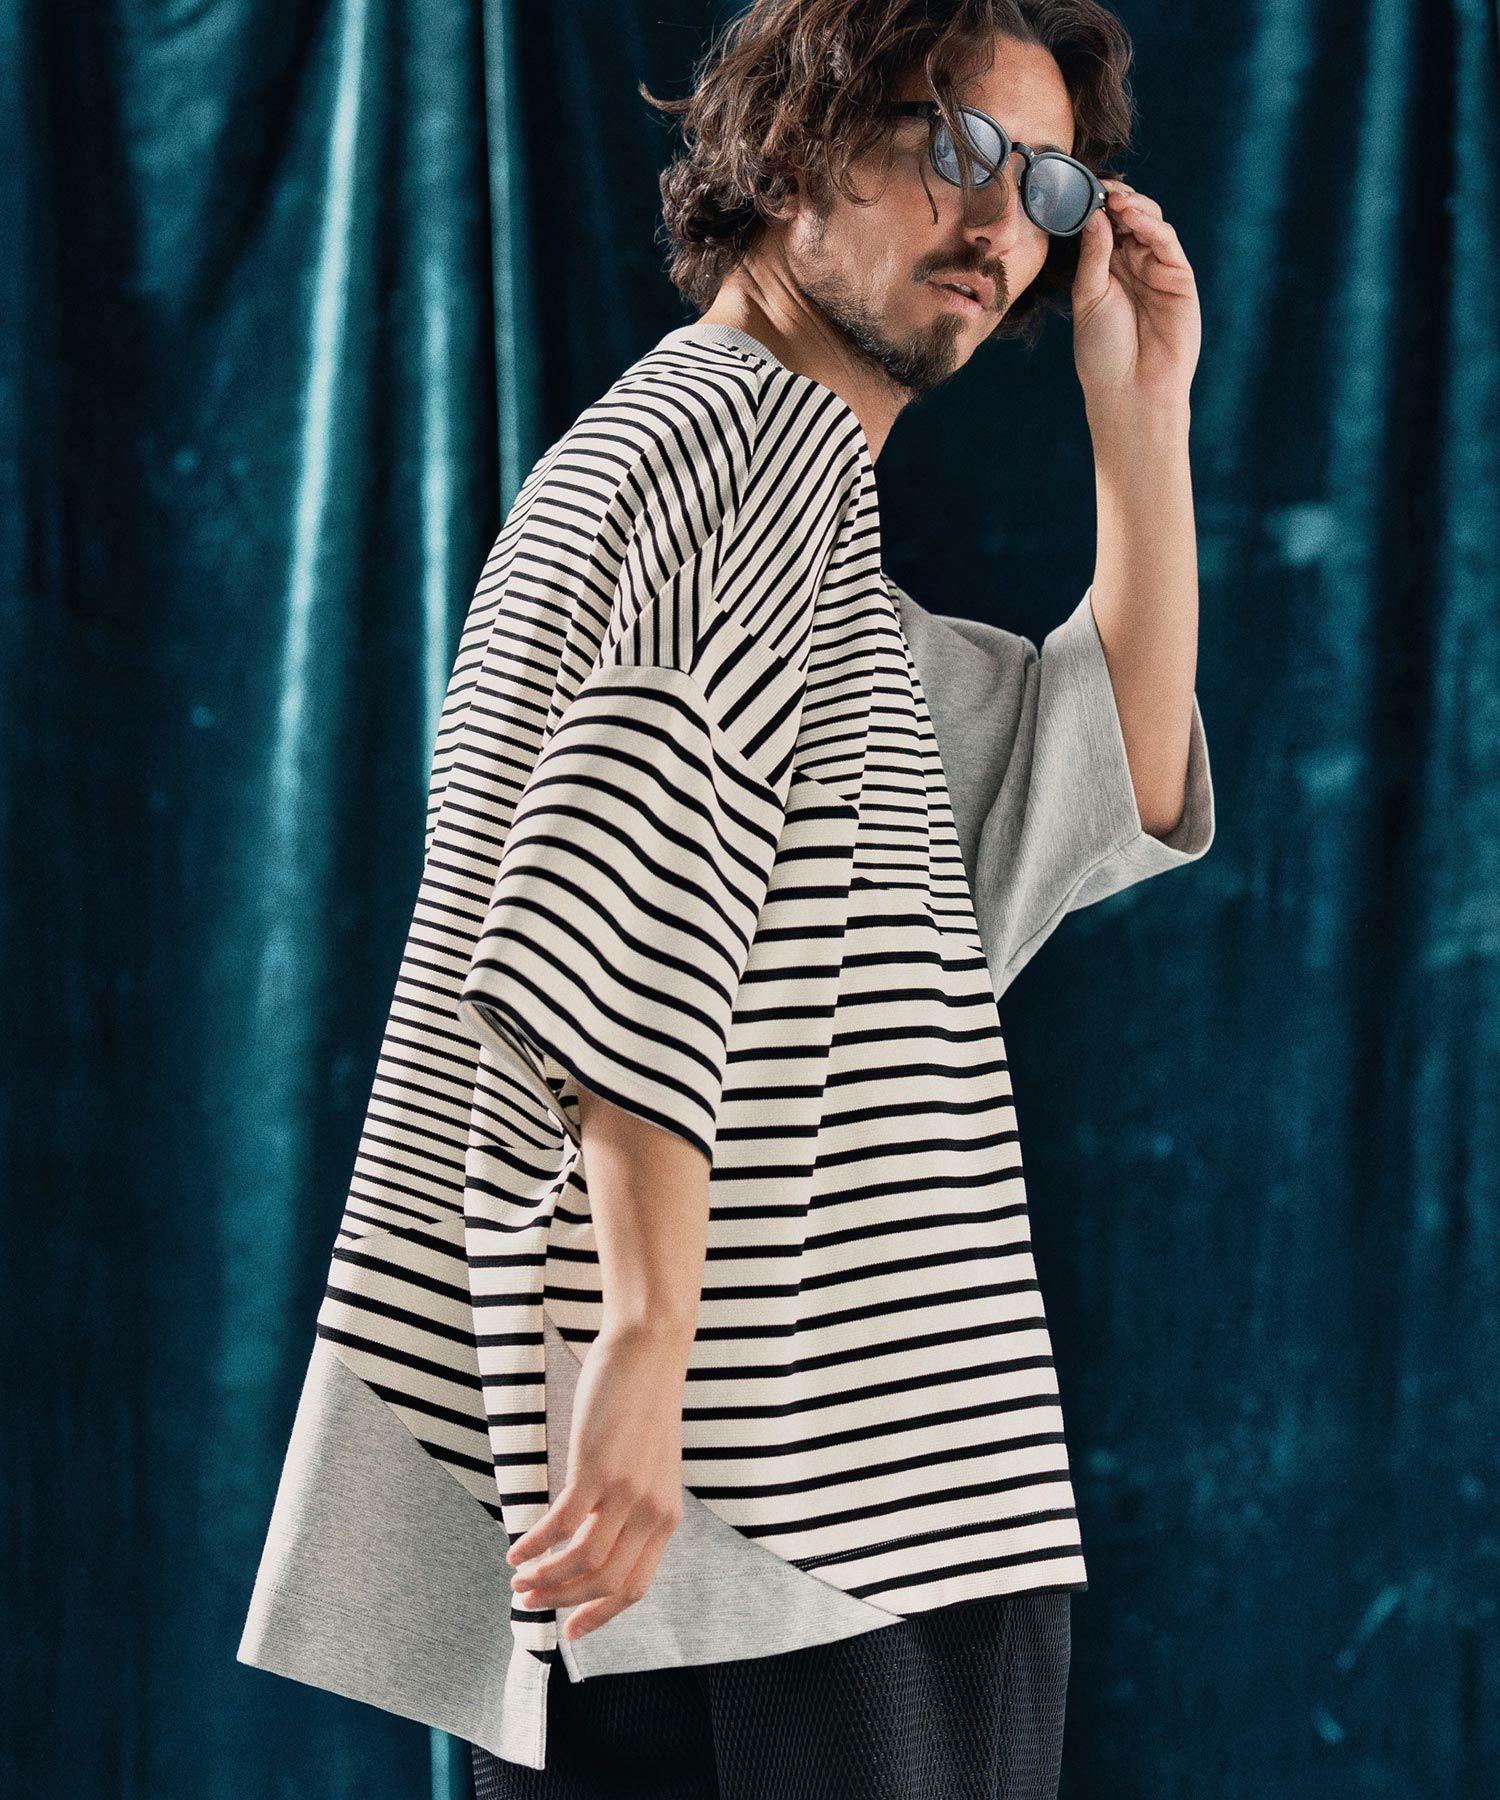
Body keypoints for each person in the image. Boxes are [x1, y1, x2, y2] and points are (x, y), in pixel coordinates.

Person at [236, 3, 1215, 1796]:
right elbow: (626, 891)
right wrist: (641, 1346)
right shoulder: (736, 446)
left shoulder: (756, 512)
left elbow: (1109, 777)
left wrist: (1138, 414)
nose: (996, 221)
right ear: (791, 143)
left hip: (798, 1523)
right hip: (791, 1531)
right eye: (953, 141)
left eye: (1047, 183)